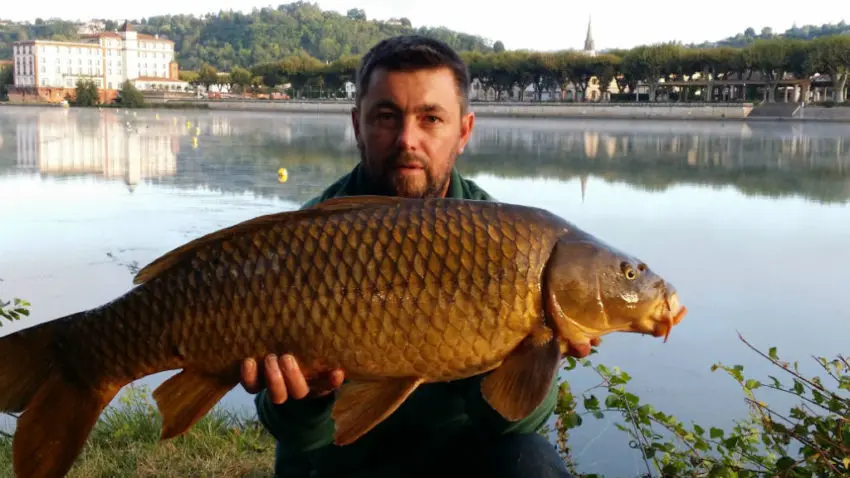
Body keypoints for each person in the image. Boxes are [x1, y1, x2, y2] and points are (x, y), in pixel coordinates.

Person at [239, 34, 598, 478]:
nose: (407, 139)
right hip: (334, 465)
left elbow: (510, 428)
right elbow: (298, 437)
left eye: (431, 118)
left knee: (532, 462)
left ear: (463, 132)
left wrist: (534, 356)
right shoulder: (308, 238)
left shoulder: (513, 245)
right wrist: (309, 397)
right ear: (358, 125)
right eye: (387, 116)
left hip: (457, 462)